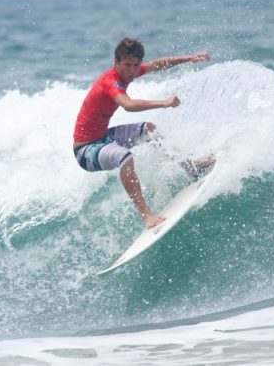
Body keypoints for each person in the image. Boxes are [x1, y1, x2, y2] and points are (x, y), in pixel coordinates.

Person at [73, 38, 211, 228]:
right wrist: (164, 103)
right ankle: (147, 215)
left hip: (103, 137)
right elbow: (128, 105)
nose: (132, 71)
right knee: (125, 157)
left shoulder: (130, 72)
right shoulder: (111, 81)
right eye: (127, 65)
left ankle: (190, 167)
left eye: (136, 66)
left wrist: (189, 58)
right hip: (86, 151)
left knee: (150, 130)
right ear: (116, 63)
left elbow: (157, 65)